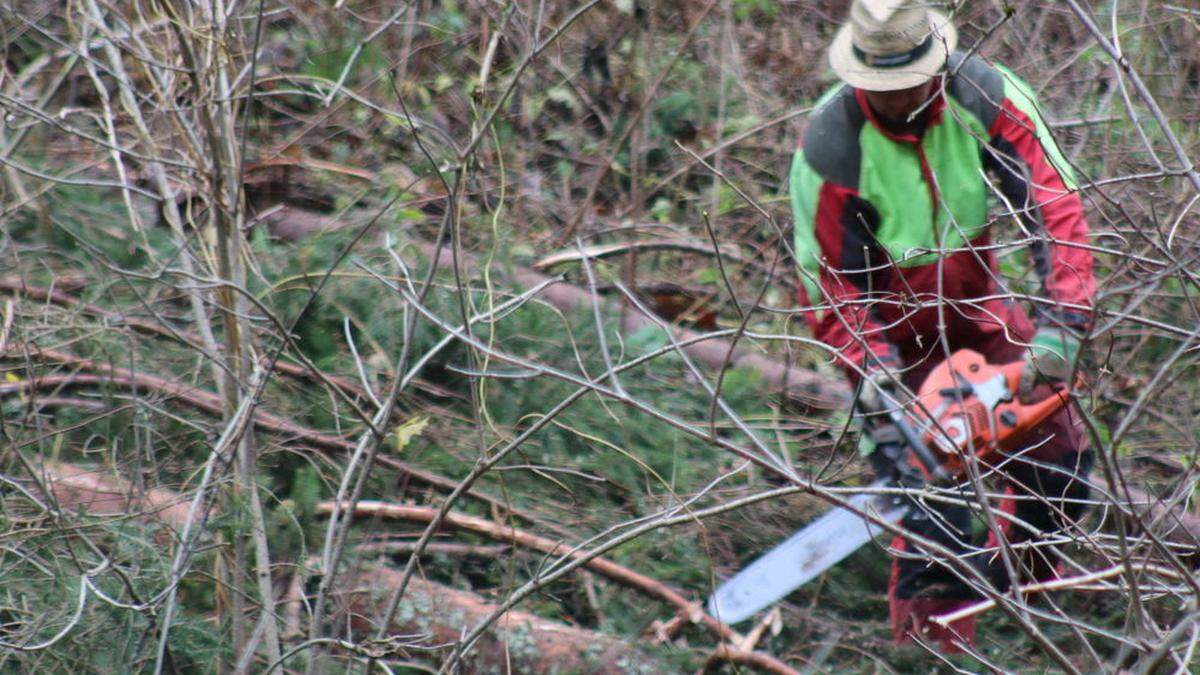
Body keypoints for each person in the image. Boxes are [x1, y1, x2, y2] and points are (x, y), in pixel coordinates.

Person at [788, 0, 1096, 652]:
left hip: (977, 309)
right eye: (884, 83)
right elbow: (831, 288)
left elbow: (1056, 207)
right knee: (933, 504)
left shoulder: (984, 96)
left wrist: (1060, 328)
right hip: (895, 338)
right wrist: (876, 379)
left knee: (1062, 463)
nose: (899, 94)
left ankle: (1025, 614)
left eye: (910, 77)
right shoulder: (831, 145)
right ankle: (929, 653)